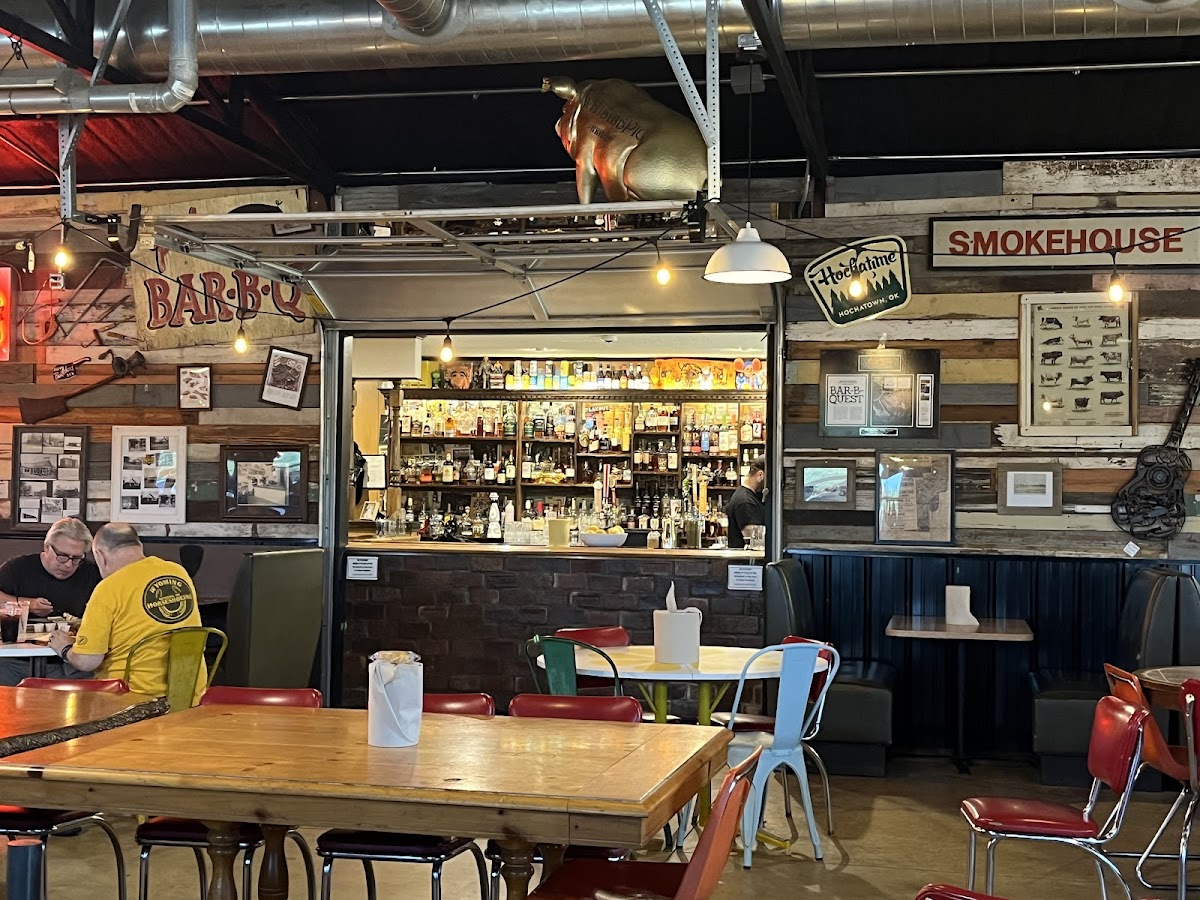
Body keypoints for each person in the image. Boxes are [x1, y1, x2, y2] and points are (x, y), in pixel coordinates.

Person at [49, 523, 205, 702]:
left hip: (129, 699)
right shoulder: (178, 573)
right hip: (187, 695)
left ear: (100, 555)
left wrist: (65, 648)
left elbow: (87, 661)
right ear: (139, 547)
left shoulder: (108, 588)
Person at [0, 517, 101, 685]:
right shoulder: (18, 568)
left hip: (69, 664)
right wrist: (27, 604)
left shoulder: (92, 574)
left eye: (76, 558)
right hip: (14, 662)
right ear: (47, 547)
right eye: (62, 556)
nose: (68, 565)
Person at [725, 458, 766, 550]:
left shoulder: (750, 496)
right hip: (746, 557)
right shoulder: (745, 501)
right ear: (760, 475)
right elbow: (754, 540)